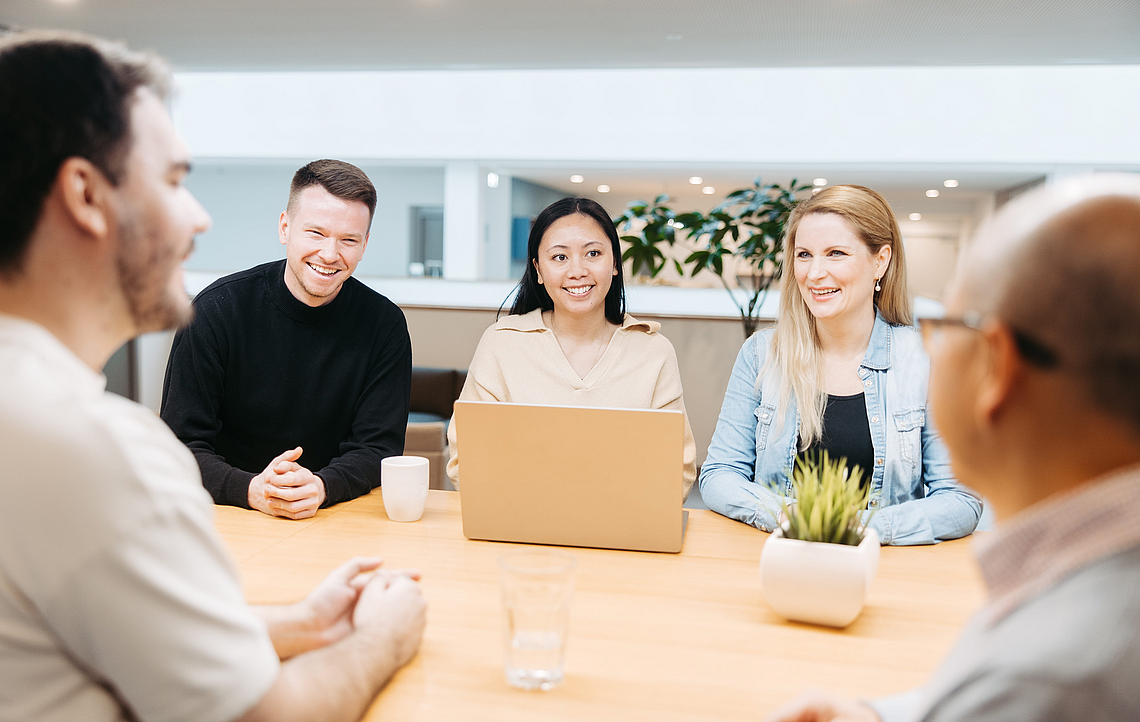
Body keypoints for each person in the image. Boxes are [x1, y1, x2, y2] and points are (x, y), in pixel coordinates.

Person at [0, 32, 425, 722]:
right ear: (84, 196)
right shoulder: (94, 452)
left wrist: (305, 622)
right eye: (171, 181)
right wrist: (383, 639)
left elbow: (119, 627)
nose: (198, 217)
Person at [749, 173, 1140, 722]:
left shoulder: (1043, 688)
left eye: (949, 323)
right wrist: (884, 721)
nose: (924, 343)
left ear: (996, 365)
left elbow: (1003, 700)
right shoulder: (1069, 590)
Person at [700, 185, 979, 545]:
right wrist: (793, 519)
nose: (815, 273)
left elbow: (960, 500)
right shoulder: (761, 354)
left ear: (881, 261)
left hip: (881, 570)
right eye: (804, 255)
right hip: (777, 560)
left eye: (835, 253)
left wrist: (854, 528)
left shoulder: (927, 359)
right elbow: (720, 474)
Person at [161, 158, 412, 519]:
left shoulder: (384, 325)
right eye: (316, 233)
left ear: (365, 244)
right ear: (285, 228)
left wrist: (323, 486)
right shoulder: (216, 311)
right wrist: (251, 489)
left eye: (348, 240)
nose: (329, 254)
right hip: (226, 511)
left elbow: (378, 447)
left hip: (333, 514)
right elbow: (179, 445)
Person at [446, 196, 697, 498]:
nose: (577, 271)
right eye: (560, 257)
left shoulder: (653, 352)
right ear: (538, 270)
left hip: (622, 533)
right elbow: (468, 463)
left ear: (615, 263)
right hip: (520, 530)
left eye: (593, 253)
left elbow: (676, 470)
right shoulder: (501, 343)